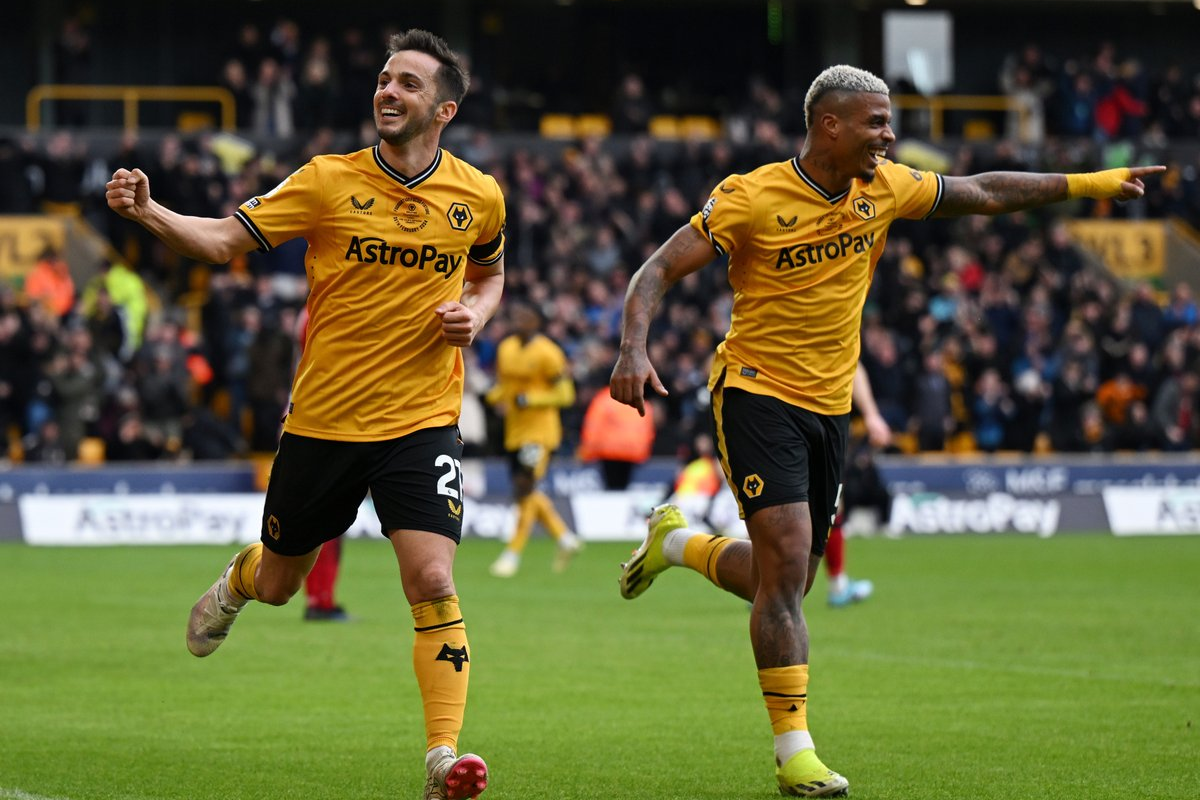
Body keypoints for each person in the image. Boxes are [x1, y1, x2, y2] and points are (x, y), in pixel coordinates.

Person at [609, 64, 1162, 798]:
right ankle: (794, 752)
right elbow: (655, 271)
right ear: (828, 125)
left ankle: (673, 542)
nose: (889, 135)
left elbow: (985, 192)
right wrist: (632, 348)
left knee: (791, 582)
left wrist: (1085, 185)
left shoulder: (886, 187)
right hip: (755, 392)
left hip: (831, 405)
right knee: (787, 574)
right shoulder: (750, 196)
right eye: (876, 122)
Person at [106, 30, 504, 800]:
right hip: (323, 423)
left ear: (444, 108)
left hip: (422, 420)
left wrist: (476, 317)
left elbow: (489, 278)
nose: (388, 92)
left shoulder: (479, 195)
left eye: (409, 85)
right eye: (385, 80)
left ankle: (442, 757)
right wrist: (152, 213)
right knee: (283, 582)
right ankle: (236, 585)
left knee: (430, 578)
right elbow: (224, 241)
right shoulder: (327, 181)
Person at [485, 300, 582, 577]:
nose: (519, 322)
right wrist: (491, 397)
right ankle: (565, 538)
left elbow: (566, 395)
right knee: (527, 491)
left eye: (525, 317)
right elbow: (505, 387)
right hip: (515, 432)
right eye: (516, 316)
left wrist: (531, 399)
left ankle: (512, 554)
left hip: (540, 433)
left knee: (524, 488)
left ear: (537, 323)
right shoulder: (506, 349)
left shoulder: (549, 353)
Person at [576, 385, 656, 491]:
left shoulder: (603, 400)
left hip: (609, 451)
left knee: (612, 487)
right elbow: (647, 428)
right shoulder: (637, 397)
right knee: (623, 486)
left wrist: (587, 452)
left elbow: (593, 426)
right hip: (633, 450)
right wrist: (644, 451)